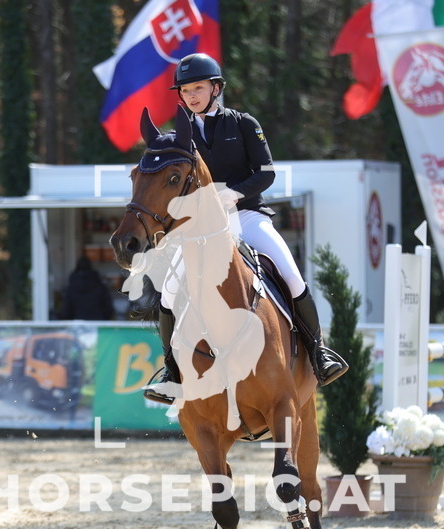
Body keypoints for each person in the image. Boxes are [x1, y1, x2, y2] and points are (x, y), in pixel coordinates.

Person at [144, 53, 348, 404]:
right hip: (201, 228)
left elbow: (266, 172)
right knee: (168, 291)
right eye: (186, 90)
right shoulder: (180, 136)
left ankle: (318, 353)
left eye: (198, 88)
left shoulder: (242, 124)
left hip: (247, 216)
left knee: (290, 274)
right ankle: (170, 371)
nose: (191, 95)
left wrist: (234, 194)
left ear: (216, 88)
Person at [59, 256, 114, 320]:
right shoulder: (100, 287)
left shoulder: (71, 288)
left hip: (76, 325)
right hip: (97, 324)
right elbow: (109, 310)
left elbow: (66, 312)